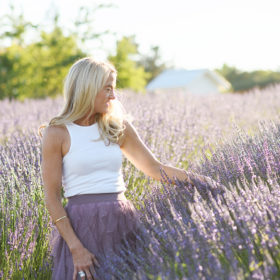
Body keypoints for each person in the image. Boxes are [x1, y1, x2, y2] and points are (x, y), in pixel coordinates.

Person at [39, 57, 217, 280]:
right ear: (88, 88)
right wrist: (76, 247)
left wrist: (202, 182)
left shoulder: (118, 127)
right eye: (107, 88)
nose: (113, 96)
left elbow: (155, 168)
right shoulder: (57, 133)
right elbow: (52, 197)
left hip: (122, 222)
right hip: (82, 227)